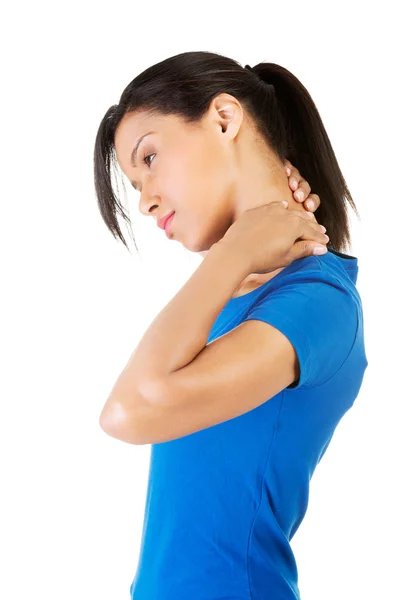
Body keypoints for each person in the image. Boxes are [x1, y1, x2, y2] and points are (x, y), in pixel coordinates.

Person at [94, 51, 368, 600]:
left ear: (224, 118)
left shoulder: (317, 303)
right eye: (133, 182)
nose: (145, 200)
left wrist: (239, 247)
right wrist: (243, 247)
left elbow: (127, 412)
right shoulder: (237, 292)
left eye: (149, 158)